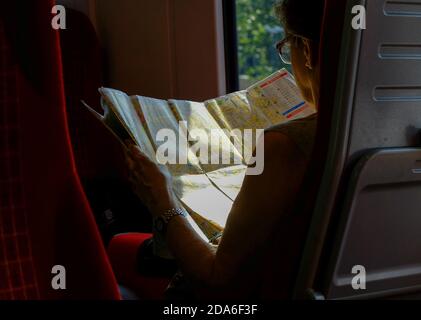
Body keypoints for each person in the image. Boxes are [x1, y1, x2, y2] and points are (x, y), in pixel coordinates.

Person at [126, 0, 324, 299]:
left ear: (307, 50)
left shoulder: (285, 146)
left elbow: (218, 283)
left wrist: (161, 200)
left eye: (288, 46)